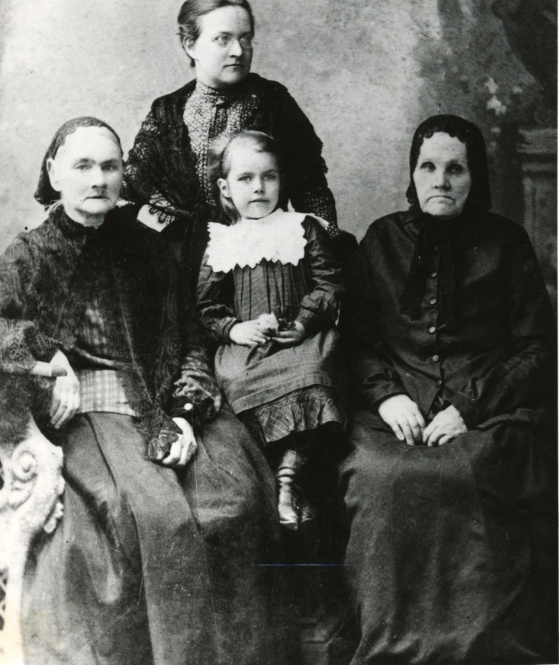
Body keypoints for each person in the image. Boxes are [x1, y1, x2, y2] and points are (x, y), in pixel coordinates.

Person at [0, 117, 286, 665]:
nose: (98, 179)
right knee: (144, 516)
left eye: (110, 167)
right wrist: (46, 357)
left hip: (161, 404)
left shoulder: (151, 251)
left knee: (235, 502)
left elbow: (190, 340)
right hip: (83, 418)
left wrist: (184, 413)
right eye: (83, 166)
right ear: (54, 173)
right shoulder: (28, 255)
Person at [339, 114, 557, 664]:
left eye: (455, 169)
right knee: (380, 477)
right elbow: (356, 342)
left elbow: (538, 350)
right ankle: (391, 646)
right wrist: (387, 395)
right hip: (395, 411)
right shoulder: (382, 240)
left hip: (488, 409)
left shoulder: (506, 242)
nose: (440, 180)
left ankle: (479, 648)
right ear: (412, 174)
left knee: (471, 471)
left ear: (474, 177)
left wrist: (470, 406)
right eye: (428, 167)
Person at [122, 0, 352, 294]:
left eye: (246, 38)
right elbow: (131, 189)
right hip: (179, 269)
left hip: (260, 266)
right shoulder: (167, 112)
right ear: (190, 45)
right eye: (223, 39)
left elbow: (311, 191)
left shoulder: (274, 104)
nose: (238, 51)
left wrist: (325, 254)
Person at [196, 130, 347, 531]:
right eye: (246, 178)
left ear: (282, 180)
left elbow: (329, 283)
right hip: (250, 347)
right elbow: (206, 308)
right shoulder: (222, 242)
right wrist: (235, 329)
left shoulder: (303, 228)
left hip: (300, 339)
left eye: (269, 177)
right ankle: (282, 484)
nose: (259, 188)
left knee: (315, 368)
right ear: (225, 188)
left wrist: (303, 322)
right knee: (233, 377)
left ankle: (289, 481)